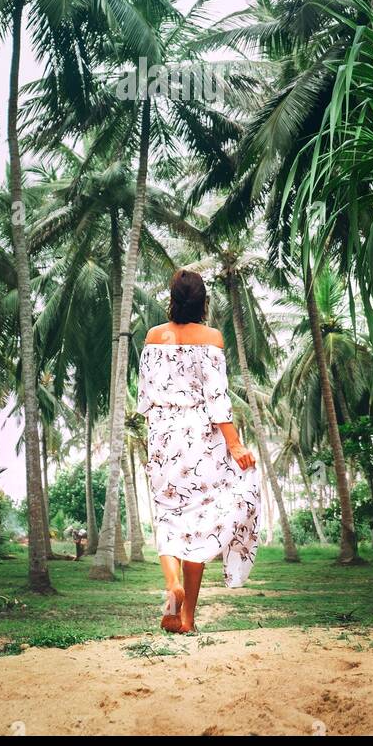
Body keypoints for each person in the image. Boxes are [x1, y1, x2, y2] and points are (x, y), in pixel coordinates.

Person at [136, 268, 260, 634]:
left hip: (163, 437)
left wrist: (161, 426)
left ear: (172, 300)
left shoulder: (154, 336)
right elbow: (217, 396)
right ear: (204, 302)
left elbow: (145, 394)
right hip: (201, 439)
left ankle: (171, 585)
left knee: (168, 517)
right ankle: (187, 617)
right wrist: (234, 444)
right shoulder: (212, 337)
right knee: (200, 526)